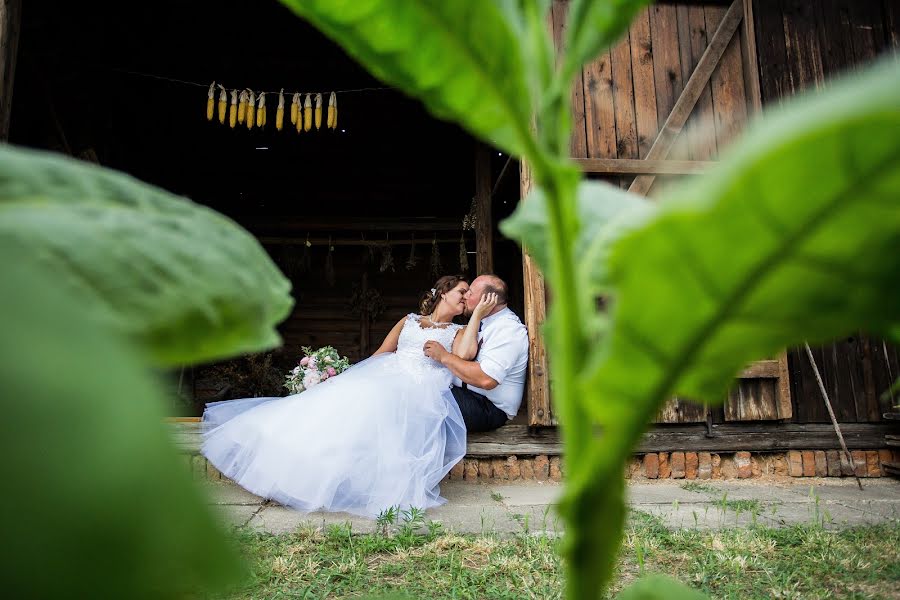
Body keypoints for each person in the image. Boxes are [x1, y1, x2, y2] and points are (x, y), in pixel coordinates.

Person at [201, 275, 497, 518]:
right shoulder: (408, 320)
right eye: (461, 291)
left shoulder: (458, 331)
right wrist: (355, 378)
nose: (465, 297)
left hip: (421, 389)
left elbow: (466, 355)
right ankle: (302, 473)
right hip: (387, 375)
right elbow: (381, 354)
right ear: (443, 292)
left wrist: (476, 317)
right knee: (337, 409)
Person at [423, 274, 529, 432]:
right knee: (415, 389)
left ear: (488, 299)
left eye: (470, 293)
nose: (465, 296)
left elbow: (487, 379)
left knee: (422, 400)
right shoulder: (486, 323)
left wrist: (444, 357)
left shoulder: (508, 329)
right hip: (468, 395)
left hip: (488, 407)